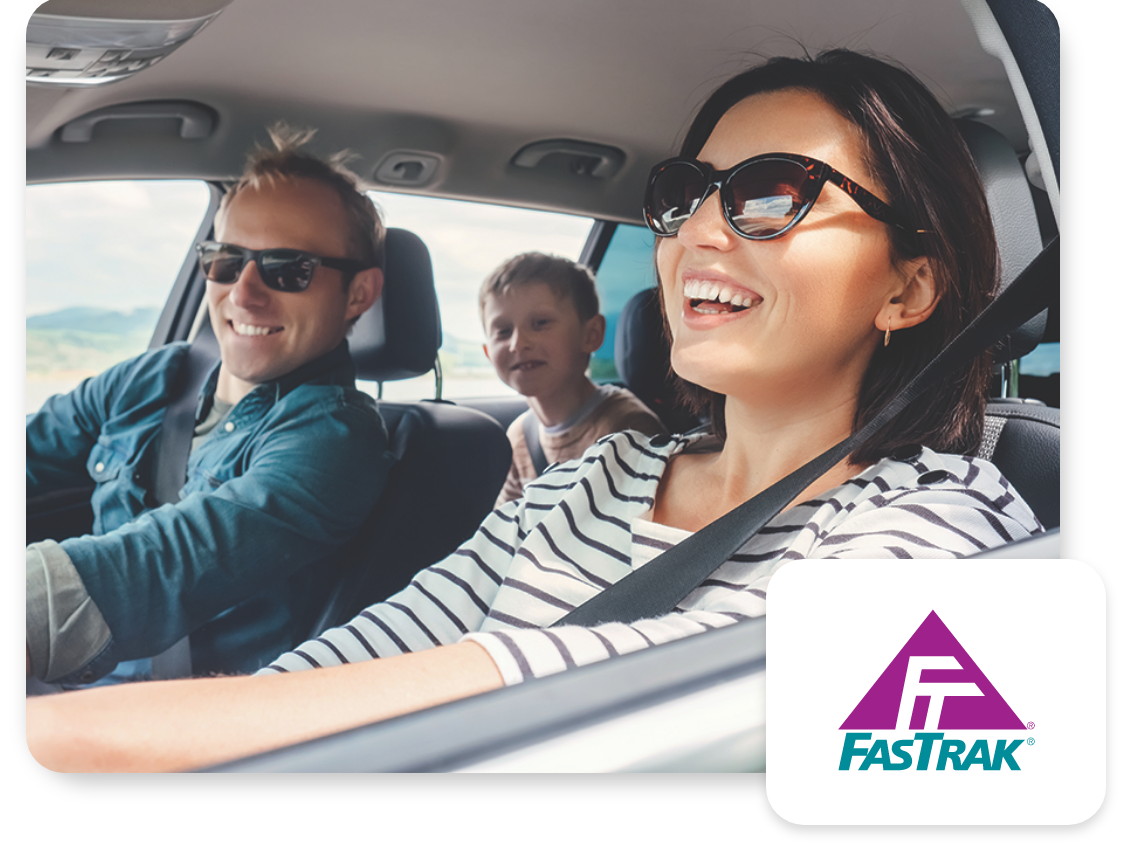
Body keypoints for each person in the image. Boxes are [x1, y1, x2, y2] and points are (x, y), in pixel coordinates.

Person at [27, 50, 1045, 772]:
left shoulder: (945, 527)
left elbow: (620, 674)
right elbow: (388, 641)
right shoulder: (591, 476)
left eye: (769, 193)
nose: (695, 232)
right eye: (686, 194)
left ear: (907, 288)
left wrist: (81, 735)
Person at [25, 126, 390, 686]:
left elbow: (165, 563)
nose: (243, 293)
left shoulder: (335, 437)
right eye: (225, 260)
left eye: (288, 268)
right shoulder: (155, 378)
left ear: (359, 294)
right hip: (71, 688)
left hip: (171, 721)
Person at [480, 252, 664, 507]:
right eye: (503, 331)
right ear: (488, 353)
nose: (517, 343)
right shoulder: (520, 435)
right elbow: (505, 528)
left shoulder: (627, 430)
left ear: (591, 335)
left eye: (540, 323)